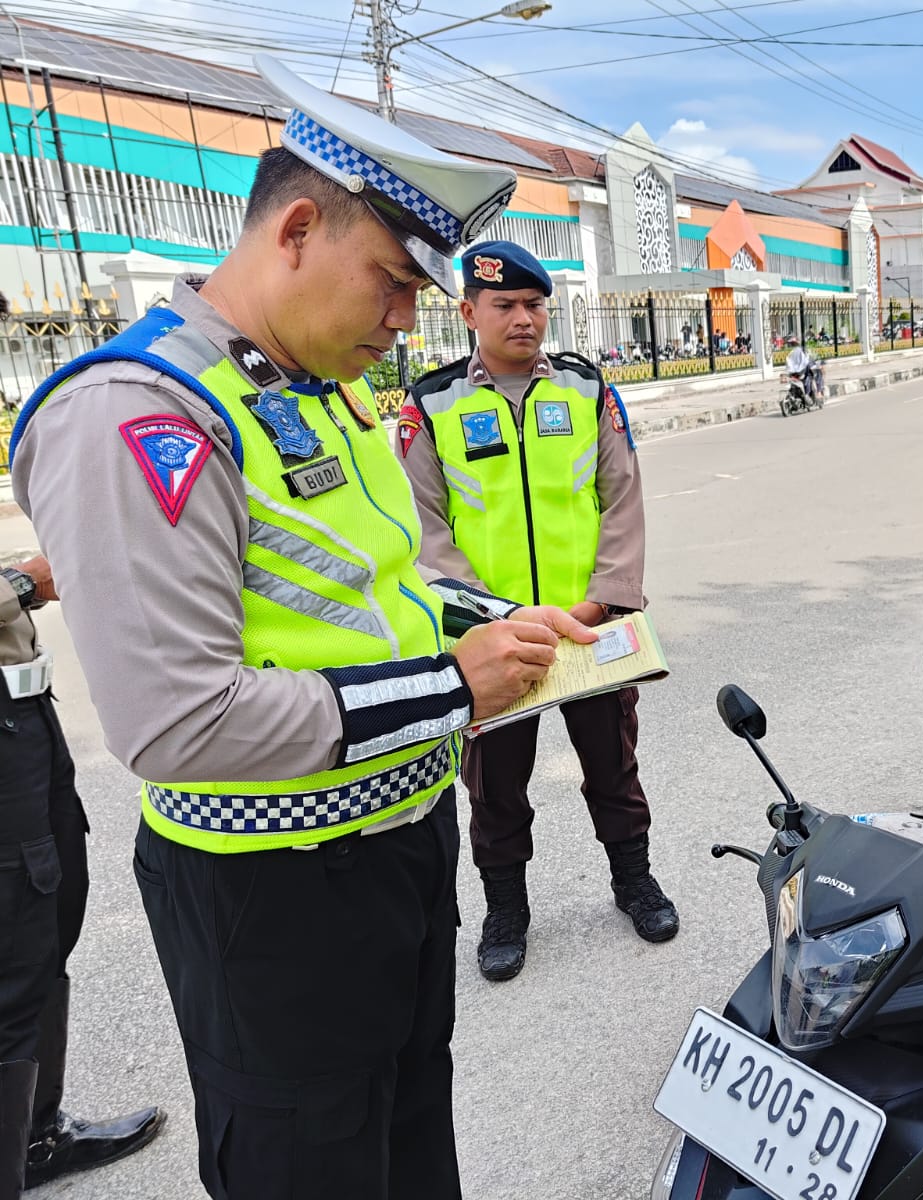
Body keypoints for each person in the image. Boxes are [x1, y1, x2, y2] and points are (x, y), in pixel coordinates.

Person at [8, 57, 597, 1199]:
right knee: (309, 1161)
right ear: (292, 229)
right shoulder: (136, 411)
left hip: (401, 848)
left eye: (421, 296)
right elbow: (177, 723)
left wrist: (494, 622)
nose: (403, 318)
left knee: (408, 1129)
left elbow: (372, 588)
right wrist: (454, 690)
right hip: (275, 894)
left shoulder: (312, 385)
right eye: (389, 281)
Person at [397, 241, 677, 982]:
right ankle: (506, 909)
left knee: (613, 764)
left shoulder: (586, 390)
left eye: (535, 305)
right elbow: (425, 533)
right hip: (493, 640)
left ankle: (633, 880)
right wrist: (498, 618)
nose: (524, 319)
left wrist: (602, 596)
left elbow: (622, 499)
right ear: (468, 313)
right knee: (495, 783)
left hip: (590, 624)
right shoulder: (432, 405)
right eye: (505, 306)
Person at [0, 557, 163, 1197]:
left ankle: (36, 1136)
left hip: (23, 709)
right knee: (17, 947)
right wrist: (19, 585)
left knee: (50, 921)